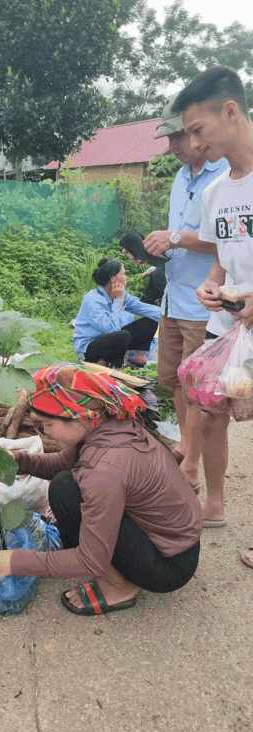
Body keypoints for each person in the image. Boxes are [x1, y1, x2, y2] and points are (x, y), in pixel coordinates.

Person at [0, 363, 202, 616]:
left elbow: (91, 560)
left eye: (47, 424)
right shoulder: (107, 424)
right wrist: (16, 459)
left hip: (168, 565)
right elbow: (61, 465)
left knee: (72, 497)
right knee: (63, 485)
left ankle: (120, 588)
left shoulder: (104, 470)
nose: (44, 432)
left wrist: (16, 562)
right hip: (169, 541)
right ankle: (101, 566)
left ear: (80, 416)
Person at [125, 93, 228, 495]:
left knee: (201, 393)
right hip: (172, 297)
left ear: (194, 132)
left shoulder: (223, 177)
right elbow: (179, 240)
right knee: (175, 383)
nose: (170, 148)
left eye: (175, 139)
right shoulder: (181, 178)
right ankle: (187, 448)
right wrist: (157, 249)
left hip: (202, 306)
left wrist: (175, 237)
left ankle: (192, 469)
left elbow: (225, 242)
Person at [172, 66, 253, 538]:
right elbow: (222, 260)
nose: (194, 144)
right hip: (230, 327)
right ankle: (216, 503)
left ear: (230, 111)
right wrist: (210, 285)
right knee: (211, 412)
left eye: (198, 131)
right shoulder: (216, 192)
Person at [73, 258, 160, 368]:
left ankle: (135, 358)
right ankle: (107, 365)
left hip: (113, 339)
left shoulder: (122, 294)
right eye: (123, 274)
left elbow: (142, 307)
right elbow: (110, 328)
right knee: (122, 335)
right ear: (113, 278)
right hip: (90, 346)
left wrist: (168, 315)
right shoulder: (92, 299)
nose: (126, 277)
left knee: (150, 322)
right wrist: (118, 301)